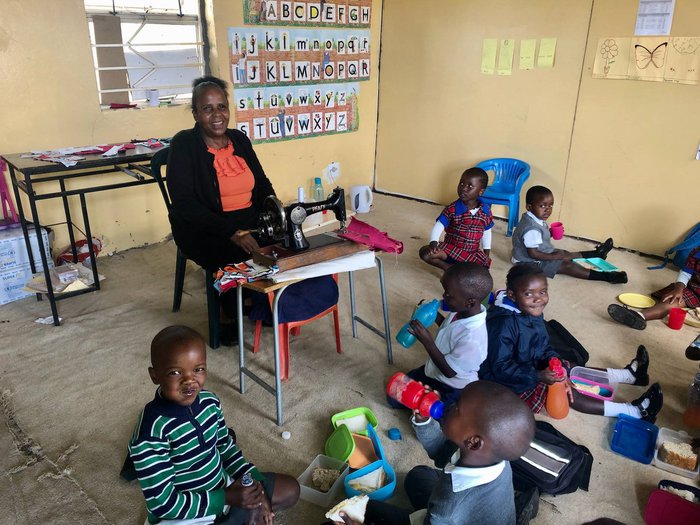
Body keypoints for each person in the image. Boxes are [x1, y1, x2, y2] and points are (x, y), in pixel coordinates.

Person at [128, 325, 299, 524]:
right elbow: (163, 504)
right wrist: (225, 498)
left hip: (224, 488)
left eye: (198, 369)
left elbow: (226, 448)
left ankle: (240, 514)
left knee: (290, 489)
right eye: (175, 372)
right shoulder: (150, 433)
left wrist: (255, 488)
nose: (189, 381)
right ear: (154, 375)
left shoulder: (210, 402)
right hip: (186, 515)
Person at [479, 263, 664, 422]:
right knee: (568, 393)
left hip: (529, 364)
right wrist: (538, 375)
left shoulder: (530, 310)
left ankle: (630, 376)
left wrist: (554, 362)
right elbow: (501, 368)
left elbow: (543, 345)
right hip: (507, 383)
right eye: (528, 294)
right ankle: (635, 411)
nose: (538, 299)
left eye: (543, 292)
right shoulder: (502, 325)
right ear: (512, 295)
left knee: (571, 368)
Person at [333, 381, 536, 525]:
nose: (449, 405)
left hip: (445, 517)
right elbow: (442, 451)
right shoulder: (493, 459)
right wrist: (424, 421)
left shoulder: (449, 510)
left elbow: (443, 514)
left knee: (353, 511)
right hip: (463, 510)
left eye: (457, 408)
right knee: (417, 476)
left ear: (473, 442)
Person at [166, 76, 274, 343]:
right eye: (207, 108)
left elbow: (261, 183)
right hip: (204, 225)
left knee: (284, 243)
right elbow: (184, 203)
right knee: (233, 251)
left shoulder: (239, 140)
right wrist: (232, 232)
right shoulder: (184, 145)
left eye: (222, 107)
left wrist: (275, 207)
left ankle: (260, 300)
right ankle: (227, 312)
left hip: (248, 217)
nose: (217, 115)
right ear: (195, 113)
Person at [391, 262, 493, 407]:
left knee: (436, 413)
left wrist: (427, 341)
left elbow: (449, 372)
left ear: (469, 302)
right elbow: (450, 329)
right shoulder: (461, 310)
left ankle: (447, 409)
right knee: (394, 394)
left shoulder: (473, 338)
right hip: (433, 370)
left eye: (448, 294)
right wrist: (434, 317)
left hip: (451, 386)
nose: (443, 296)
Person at [512, 186, 627, 284]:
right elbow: (533, 253)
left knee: (565, 253)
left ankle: (597, 254)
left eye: (550, 205)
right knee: (568, 266)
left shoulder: (534, 218)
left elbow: (538, 238)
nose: (547, 210)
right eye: (542, 206)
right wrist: (554, 257)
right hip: (528, 263)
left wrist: (550, 233)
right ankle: (609, 277)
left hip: (537, 253)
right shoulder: (531, 229)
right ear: (529, 207)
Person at [608, 246, 700, 330]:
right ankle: (639, 316)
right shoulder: (696, 252)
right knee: (671, 302)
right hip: (694, 290)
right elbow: (686, 273)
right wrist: (679, 289)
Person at [419, 168, 493, 271]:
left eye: (470, 186)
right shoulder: (452, 209)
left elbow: (487, 232)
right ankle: (450, 269)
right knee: (425, 253)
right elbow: (439, 226)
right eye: (461, 183)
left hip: (471, 254)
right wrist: (433, 244)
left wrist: (486, 254)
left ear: (481, 191)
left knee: (481, 270)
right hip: (450, 251)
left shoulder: (486, 212)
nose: (464, 188)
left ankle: (459, 271)